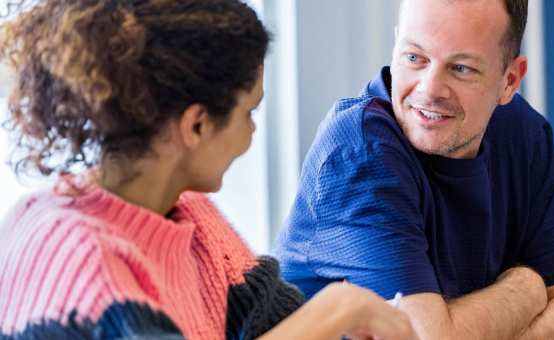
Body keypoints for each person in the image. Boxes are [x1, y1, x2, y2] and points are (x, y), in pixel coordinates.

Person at [0, 0, 415, 339]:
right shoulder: (70, 259)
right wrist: (335, 310)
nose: (251, 134)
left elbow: (278, 324)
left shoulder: (192, 218)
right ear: (196, 125)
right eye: (248, 113)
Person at [276, 0, 554, 338]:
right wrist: (525, 288)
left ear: (509, 81)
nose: (429, 90)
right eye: (415, 58)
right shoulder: (359, 153)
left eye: (461, 68)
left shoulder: (520, 134)